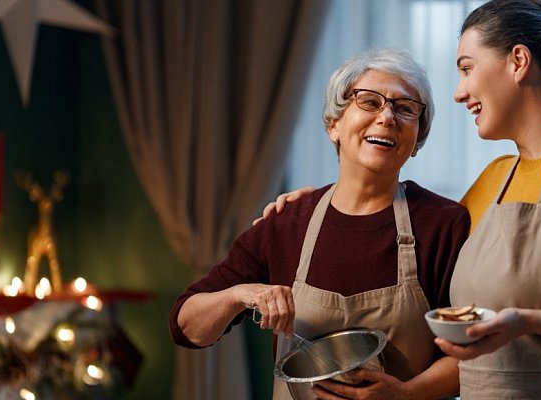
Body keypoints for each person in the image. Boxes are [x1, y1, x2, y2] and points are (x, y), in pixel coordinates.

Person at [259, 0, 541, 397]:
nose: (458, 92)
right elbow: (411, 219)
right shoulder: (496, 178)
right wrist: (321, 202)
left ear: (518, 61)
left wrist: (528, 321)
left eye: (467, 68)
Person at [169, 48, 470, 400]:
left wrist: (405, 394)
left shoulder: (443, 224)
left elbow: (473, 353)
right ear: (333, 125)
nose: (387, 117)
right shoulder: (285, 223)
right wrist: (240, 295)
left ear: (417, 140)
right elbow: (187, 327)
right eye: (369, 102)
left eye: (406, 109)